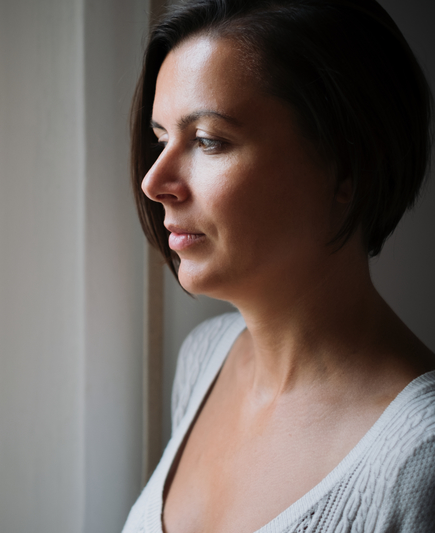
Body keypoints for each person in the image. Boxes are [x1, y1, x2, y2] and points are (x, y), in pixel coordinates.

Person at [122, 0, 435, 532]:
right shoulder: (205, 360)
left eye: (208, 141)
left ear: (346, 168)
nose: (154, 181)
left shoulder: (419, 459)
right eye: (160, 139)